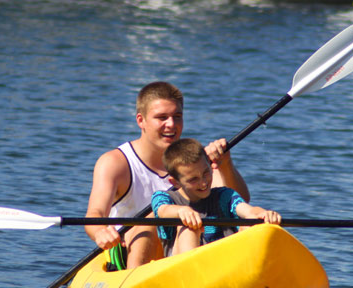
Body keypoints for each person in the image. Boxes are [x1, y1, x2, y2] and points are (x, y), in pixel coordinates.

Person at [84, 82, 250, 268]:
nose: (171, 124)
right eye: (161, 117)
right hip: (130, 251)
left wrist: (225, 164)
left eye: (177, 116)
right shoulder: (115, 163)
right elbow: (95, 214)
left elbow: (238, 203)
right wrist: (100, 232)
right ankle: (138, 282)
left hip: (188, 249)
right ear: (141, 120)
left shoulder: (196, 162)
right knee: (150, 219)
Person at [151, 138, 280, 257]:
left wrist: (264, 214)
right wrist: (181, 211)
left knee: (252, 221)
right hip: (183, 269)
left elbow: (249, 211)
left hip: (226, 264)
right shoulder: (163, 197)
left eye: (206, 173)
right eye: (193, 179)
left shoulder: (224, 195)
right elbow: (163, 210)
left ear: (210, 166)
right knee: (189, 227)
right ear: (175, 182)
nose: (203, 183)